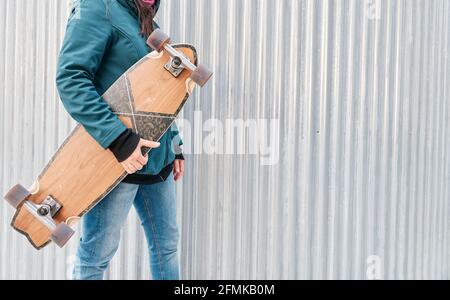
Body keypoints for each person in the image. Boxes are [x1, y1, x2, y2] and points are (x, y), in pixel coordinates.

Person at [56, 0, 183, 280]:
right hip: (117, 162)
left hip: (157, 161)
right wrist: (119, 140)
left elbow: (159, 95)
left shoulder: (147, 22)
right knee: (95, 259)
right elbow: (71, 79)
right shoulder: (97, 8)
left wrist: (175, 145)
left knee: (167, 249)